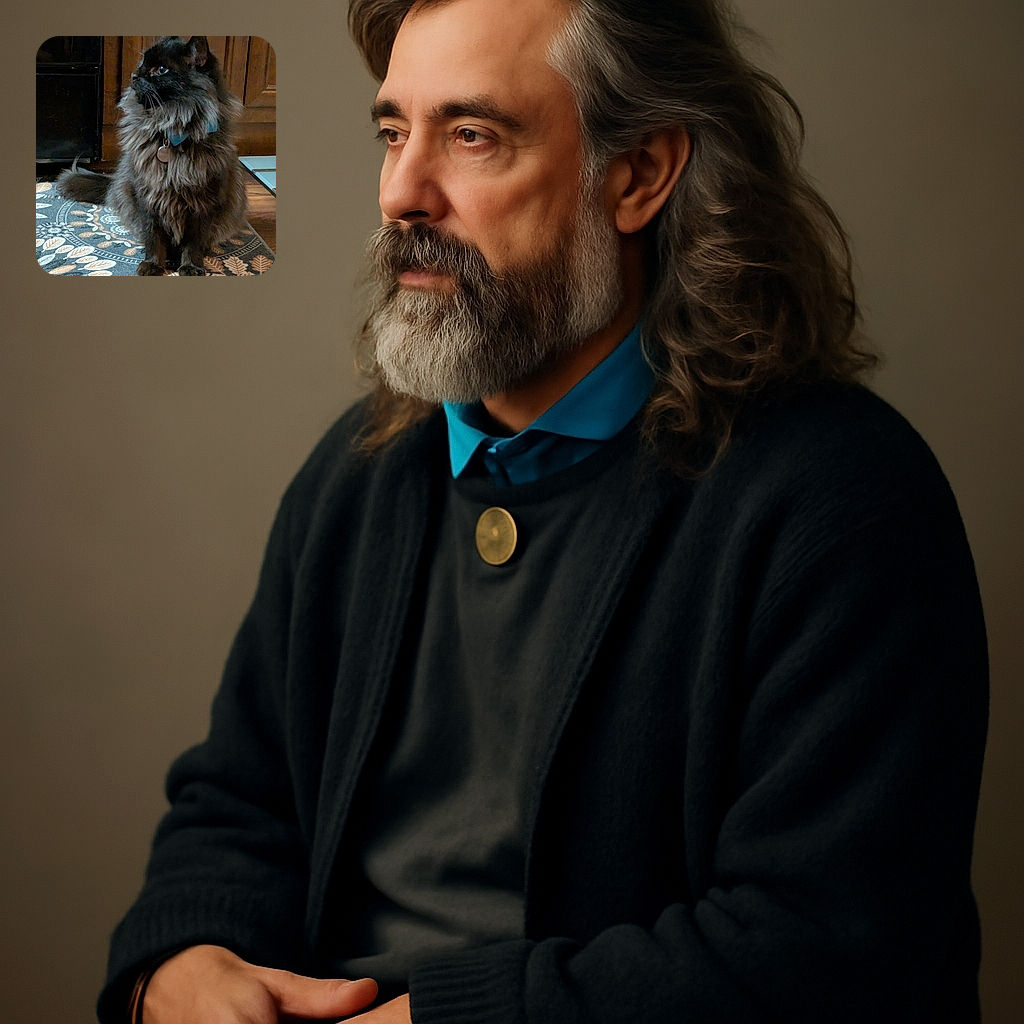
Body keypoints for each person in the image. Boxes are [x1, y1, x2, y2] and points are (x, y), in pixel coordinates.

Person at [97, 1, 989, 1022]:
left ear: (638, 174)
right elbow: (237, 805)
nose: (400, 193)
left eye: (472, 136)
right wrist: (179, 964)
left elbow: (828, 949)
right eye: (393, 133)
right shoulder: (355, 479)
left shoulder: (840, 500)